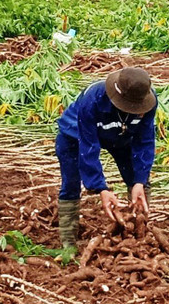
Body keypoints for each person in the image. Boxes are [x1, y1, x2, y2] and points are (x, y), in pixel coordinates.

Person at [55, 67, 158, 249]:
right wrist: (100, 188)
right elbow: (88, 147)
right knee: (71, 184)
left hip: (121, 136)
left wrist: (140, 181)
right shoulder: (93, 99)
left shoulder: (147, 100)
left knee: (139, 180)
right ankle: (68, 243)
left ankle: (139, 231)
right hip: (75, 135)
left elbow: (145, 140)